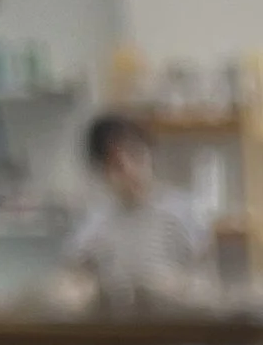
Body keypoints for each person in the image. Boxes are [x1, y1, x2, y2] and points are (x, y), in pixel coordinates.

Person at [60, 112, 218, 308]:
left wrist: (178, 287)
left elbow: (207, 285)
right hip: (120, 328)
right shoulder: (95, 224)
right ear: (103, 172)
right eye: (117, 165)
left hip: (178, 323)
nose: (130, 171)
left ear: (150, 154)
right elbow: (75, 279)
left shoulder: (184, 212)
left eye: (136, 156)